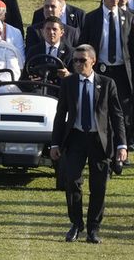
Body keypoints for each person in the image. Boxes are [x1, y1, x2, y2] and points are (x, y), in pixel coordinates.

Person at [50, 44, 126, 243]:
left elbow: (117, 116)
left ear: (93, 61)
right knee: (72, 181)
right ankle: (76, 224)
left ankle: (93, 228)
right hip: (75, 138)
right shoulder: (69, 84)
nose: (78, 64)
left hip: (99, 140)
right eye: (75, 60)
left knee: (98, 186)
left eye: (82, 60)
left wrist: (122, 145)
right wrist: (55, 143)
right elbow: (61, 115)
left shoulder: (107, 83)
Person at [78, 0, 134, 144]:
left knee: (122, 113)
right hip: (100, 71)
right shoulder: (91, 18)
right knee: (100, 110)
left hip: (122, 72)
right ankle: (103, 149)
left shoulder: (129, 19)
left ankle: (120, 149)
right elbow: (83, 45)